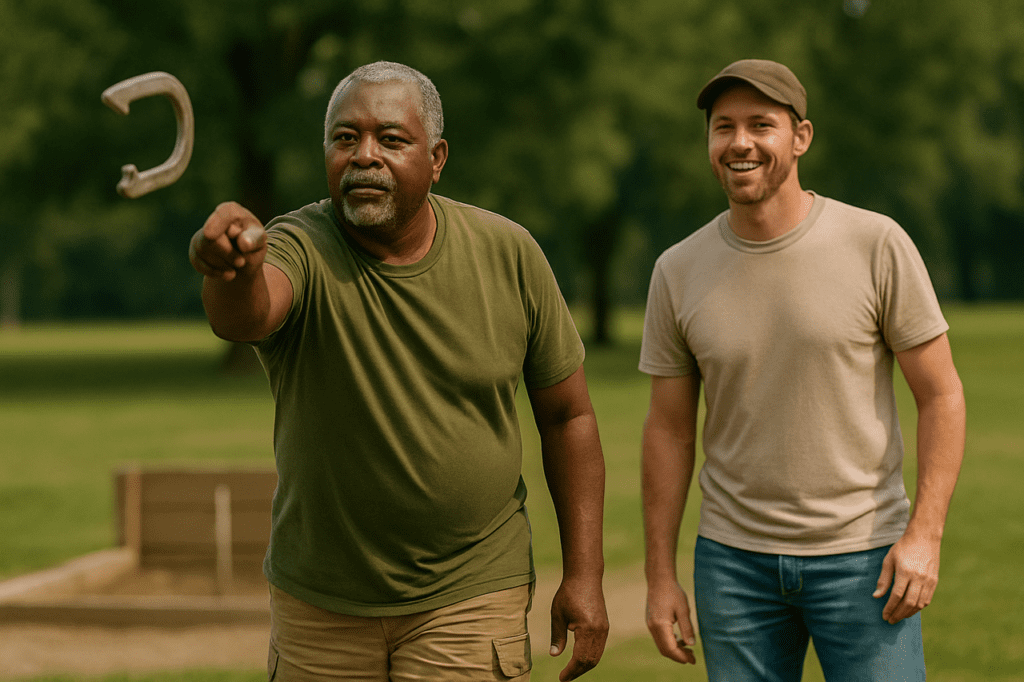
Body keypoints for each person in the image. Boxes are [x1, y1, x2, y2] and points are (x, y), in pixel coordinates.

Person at [188, 61, 608, 682]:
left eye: (390, 139)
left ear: (436, 158)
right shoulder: (299, 245)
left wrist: (585, 576)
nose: (364, 156)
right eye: (344, 138)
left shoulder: (508, 253)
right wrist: (231, 269)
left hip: (471, 592)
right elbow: (247, 316)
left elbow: (568, 415)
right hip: (320, 604)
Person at [639, 59, 966, 681]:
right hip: (733, 567)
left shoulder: (876, 244)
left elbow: (942, 394)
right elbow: (668, 431)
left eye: (761, 125)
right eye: (723, 127)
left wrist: (925, 535)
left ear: (800, 137)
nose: (740, 143)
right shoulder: (677, 270)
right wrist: (660, 576)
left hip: (866, 559)